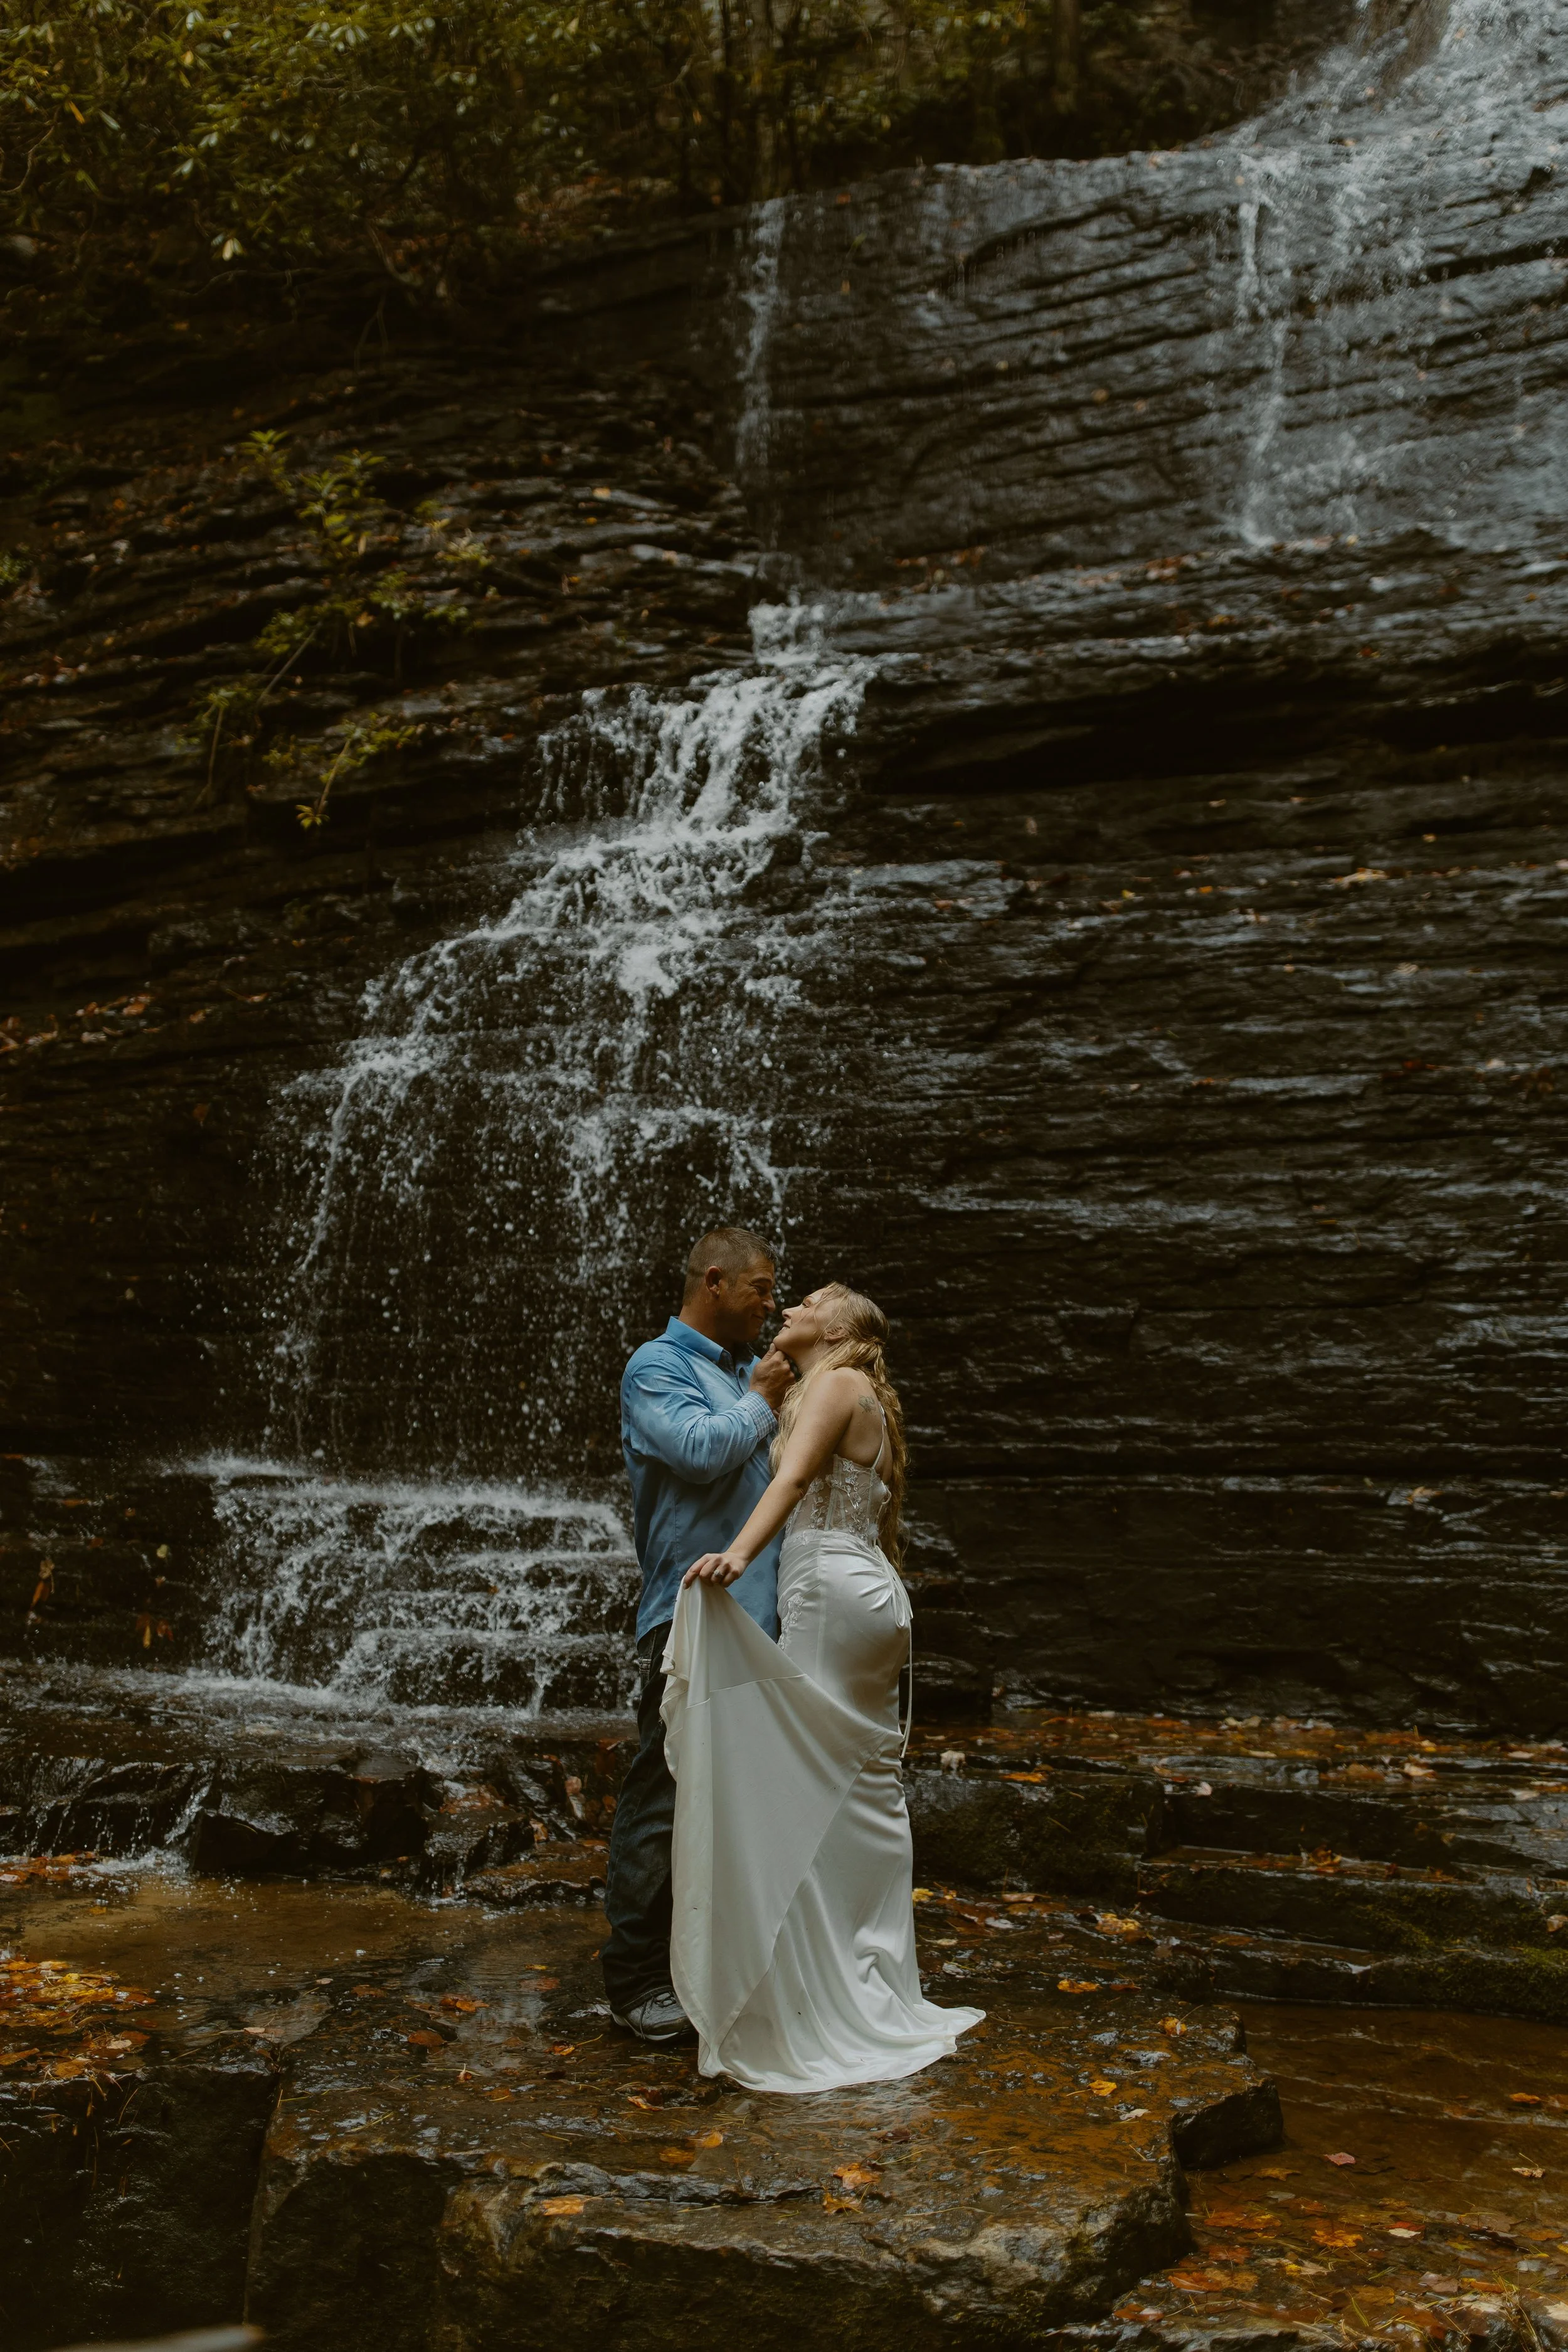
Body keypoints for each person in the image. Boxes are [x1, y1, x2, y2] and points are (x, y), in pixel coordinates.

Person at [662, 1281, 985, 2093]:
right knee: (858, 1779)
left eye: (807, 1301)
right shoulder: (848, 1387)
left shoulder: (839, 1383)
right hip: (859, 1591)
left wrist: (735, 1556)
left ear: (840, 1325)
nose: (791, 1306)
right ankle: (869, 1972)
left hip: (831, 1596)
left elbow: (795, 1480)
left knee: (808, 1775)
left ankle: (832, 1987)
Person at [603, 1226, 795, 2045]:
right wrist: (761, 1398)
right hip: (685, 1622)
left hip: (754, 1629)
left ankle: (706, 1970)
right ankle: (634, 1981)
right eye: (760, 1287)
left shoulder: (734, 1374)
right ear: (713, 1282)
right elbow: (699, 1449)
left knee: (730, 1807)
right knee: (663, 1794)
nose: (771, 1303)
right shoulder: (658, 1367)